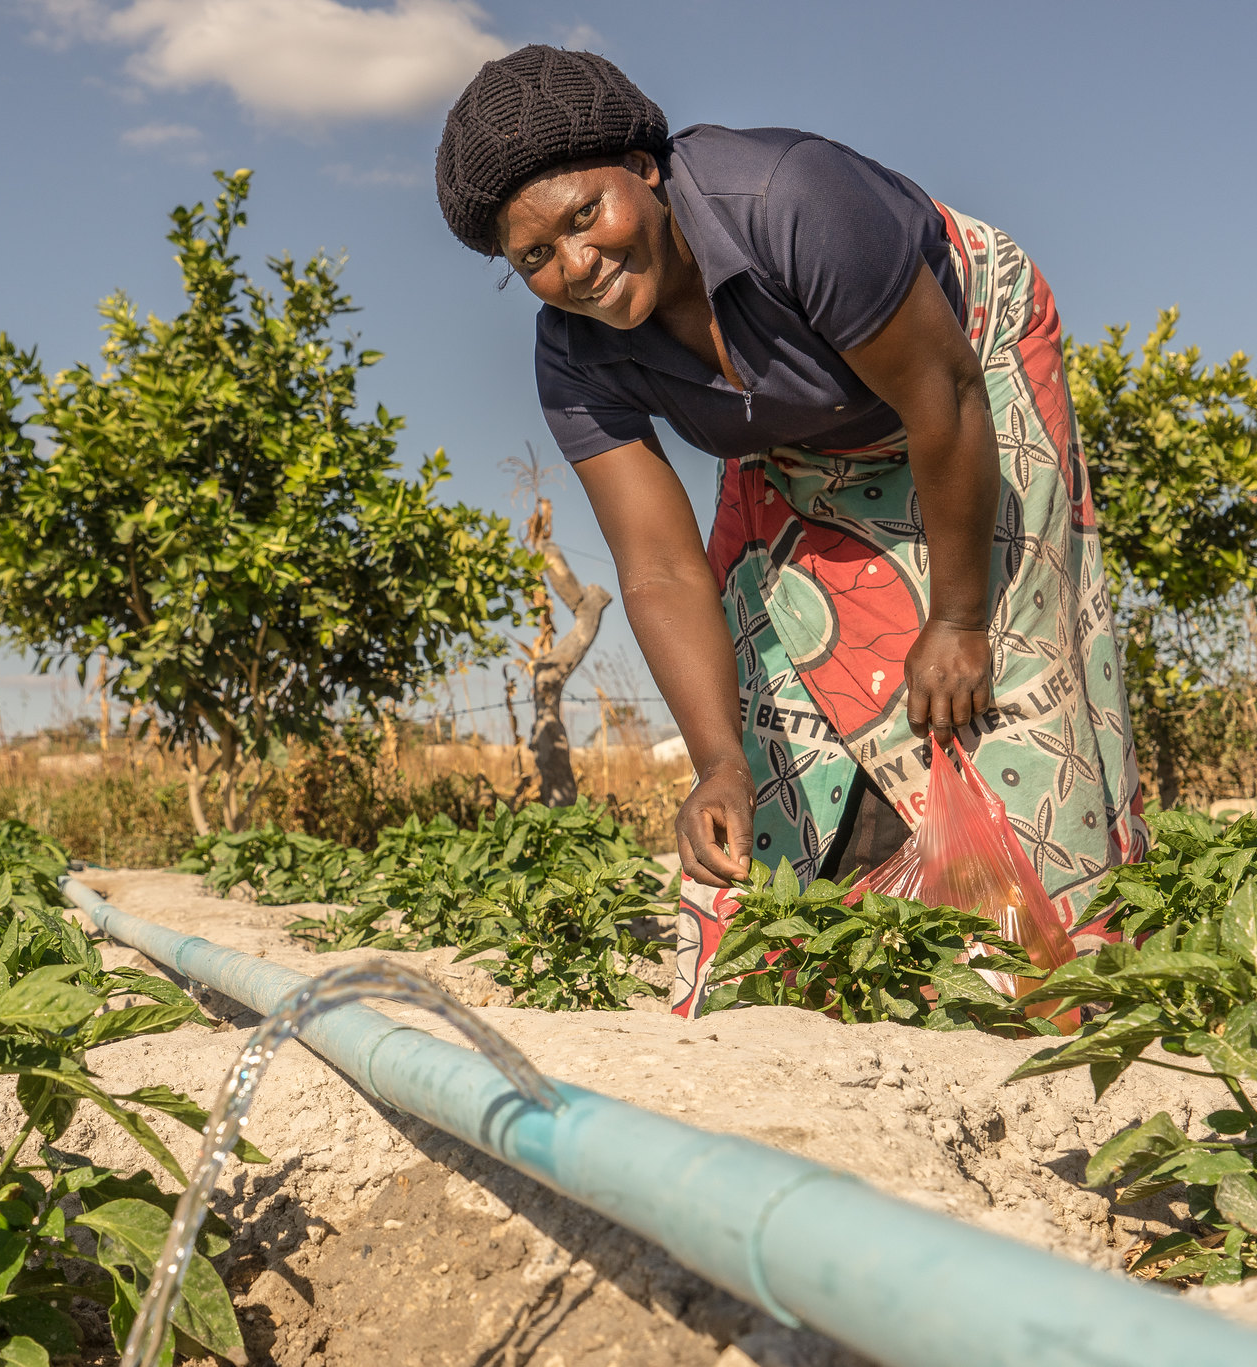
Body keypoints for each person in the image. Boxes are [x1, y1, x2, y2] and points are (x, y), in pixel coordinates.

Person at [434, 46, 1147, 1016]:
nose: (575, 266)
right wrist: (716, 761)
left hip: (959, 374)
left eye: (582, 216)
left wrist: (959, 616)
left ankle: (1048, 975)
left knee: (997, 693)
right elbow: (655, 568)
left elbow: (942, 402)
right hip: (794, 437)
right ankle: (818, 972)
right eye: (534, 258)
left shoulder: (790, 200)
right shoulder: (571, 354)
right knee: (771, 700)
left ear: (642, 167)